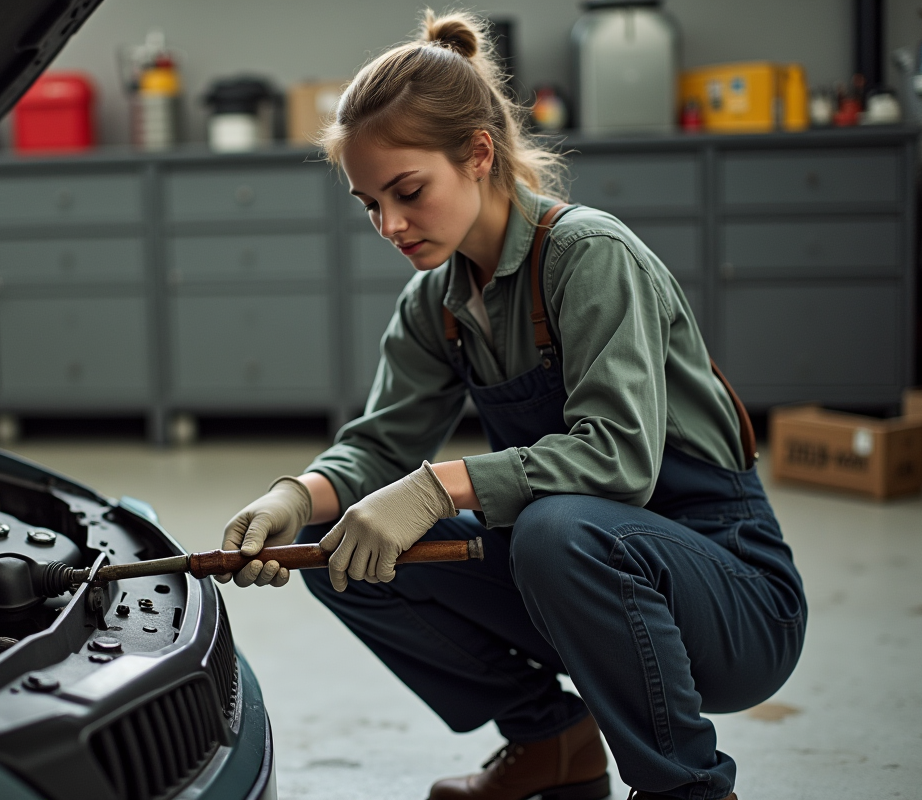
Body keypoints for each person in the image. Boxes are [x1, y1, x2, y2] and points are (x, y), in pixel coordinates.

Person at [217, 11, 805, 800]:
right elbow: (377, 450)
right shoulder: (439, 301)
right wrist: (295, 498)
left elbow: (617, 461)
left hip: (729, 600)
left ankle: (689, 789)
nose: (389, 225)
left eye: (408, 191)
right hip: (578, 584)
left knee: (557, 528)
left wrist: (437, 489)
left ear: (478, 154)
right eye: (369, 204)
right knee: (337, 545)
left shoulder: (589, 257)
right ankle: (551, 740)